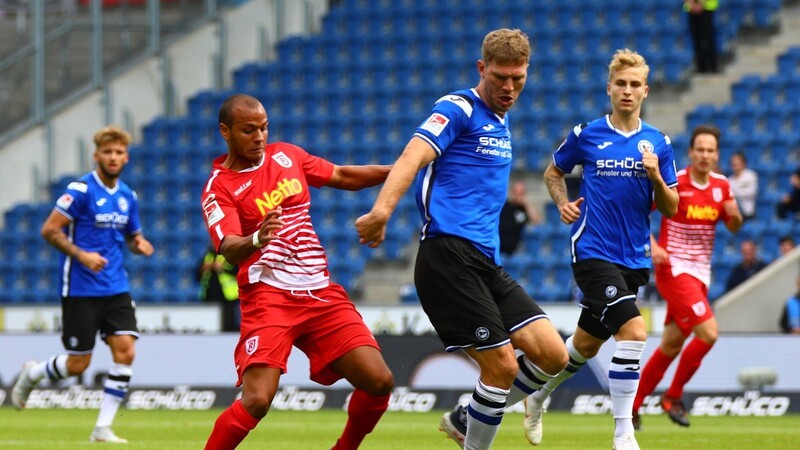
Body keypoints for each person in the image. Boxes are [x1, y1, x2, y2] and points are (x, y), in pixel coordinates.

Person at [356, 28, 568, 450]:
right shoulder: (457, 107)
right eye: (499, 77)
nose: (509, 87)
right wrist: (382, 211)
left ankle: (465, 419)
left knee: (553, 355)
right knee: (503, 367)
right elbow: (412, 157)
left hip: (484, 262)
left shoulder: (500, 121)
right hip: (447, 256)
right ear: (481, 69)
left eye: (518, 78)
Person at [201, 94, 394, 450]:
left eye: (263, 128)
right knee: (257, 400)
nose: (259, 137)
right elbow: (227, 246)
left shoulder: (286, 155)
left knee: (380, 381)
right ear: (225, 132)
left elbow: (341, 174)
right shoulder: (219, 187)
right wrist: (257, 237)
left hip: (320, 293)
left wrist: (400, 171)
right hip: (269, 297)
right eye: (248, 130)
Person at [525, 49, 679, 450]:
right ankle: (623, 433)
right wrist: (561, 203)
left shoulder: (658, 143)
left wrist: (655, 178)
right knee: (633, 331)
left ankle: (538, 395)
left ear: (645, 91)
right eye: (620, 84)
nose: (627, 91)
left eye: (634, 85)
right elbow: (553, 172)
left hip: (634, 258)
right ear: (609, 88)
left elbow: (671, 207)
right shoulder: (586, 134)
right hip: (593, 252)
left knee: (585, 345)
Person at [11, 126, 154, 443]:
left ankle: (102, 428)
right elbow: (49, 230)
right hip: (80, 288)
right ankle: (33, 373)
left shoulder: (128, 196)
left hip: (116, 286)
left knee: (126, 351)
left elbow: (132, 235)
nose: (113, 157)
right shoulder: (80, 190)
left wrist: (140, 244)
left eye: (118, 153)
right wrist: (82, 255)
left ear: (126, 158)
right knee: (78, 364)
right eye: (107, 152)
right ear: (96, 155)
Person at [632, 124, 743, 431]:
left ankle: (633, 406)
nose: (705, 155)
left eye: (711, 150)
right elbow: (639, 213)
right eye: (700, 150)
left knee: (670, 345)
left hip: (699, 275)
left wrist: (734, 216)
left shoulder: (722, 186)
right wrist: (652, 245)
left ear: (716, 155)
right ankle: (673, 396)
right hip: (673, 269)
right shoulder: (676, 181)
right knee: (708, 333)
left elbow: (734, 227)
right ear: (691, 153)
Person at [197, 245, 240, 332]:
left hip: (227, 297)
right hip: (209, 296)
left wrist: (223, 268)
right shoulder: (207, 255)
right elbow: (197, 275)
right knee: (209, 325)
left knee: (227, 325)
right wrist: (203, 269)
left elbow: (238, 270)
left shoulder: (229, 254)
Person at [499, 180, 541, 257]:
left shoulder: (524, 209)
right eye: (516, 193)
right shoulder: (504, 207)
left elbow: (536, 221)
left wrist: (526, 204)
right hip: (501, 246)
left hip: (516, 249)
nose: (518, 196)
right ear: (512, 192)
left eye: (521, 193)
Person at [684, 0, 719, 74]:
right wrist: (691, 3)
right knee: (696, 38)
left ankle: (712, 66)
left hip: (707, 7)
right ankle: (701, 67)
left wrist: (701, 3)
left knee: (707, 37)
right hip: (691, 8)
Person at [727, 151, 758, 221]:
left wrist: (734, 192)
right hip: (733, 215)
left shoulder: (751, 176)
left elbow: (751, 192)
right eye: (733, 163)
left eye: (737, 162)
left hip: (747, 214)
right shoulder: (729, 180)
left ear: (743, 163)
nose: (735, 165)